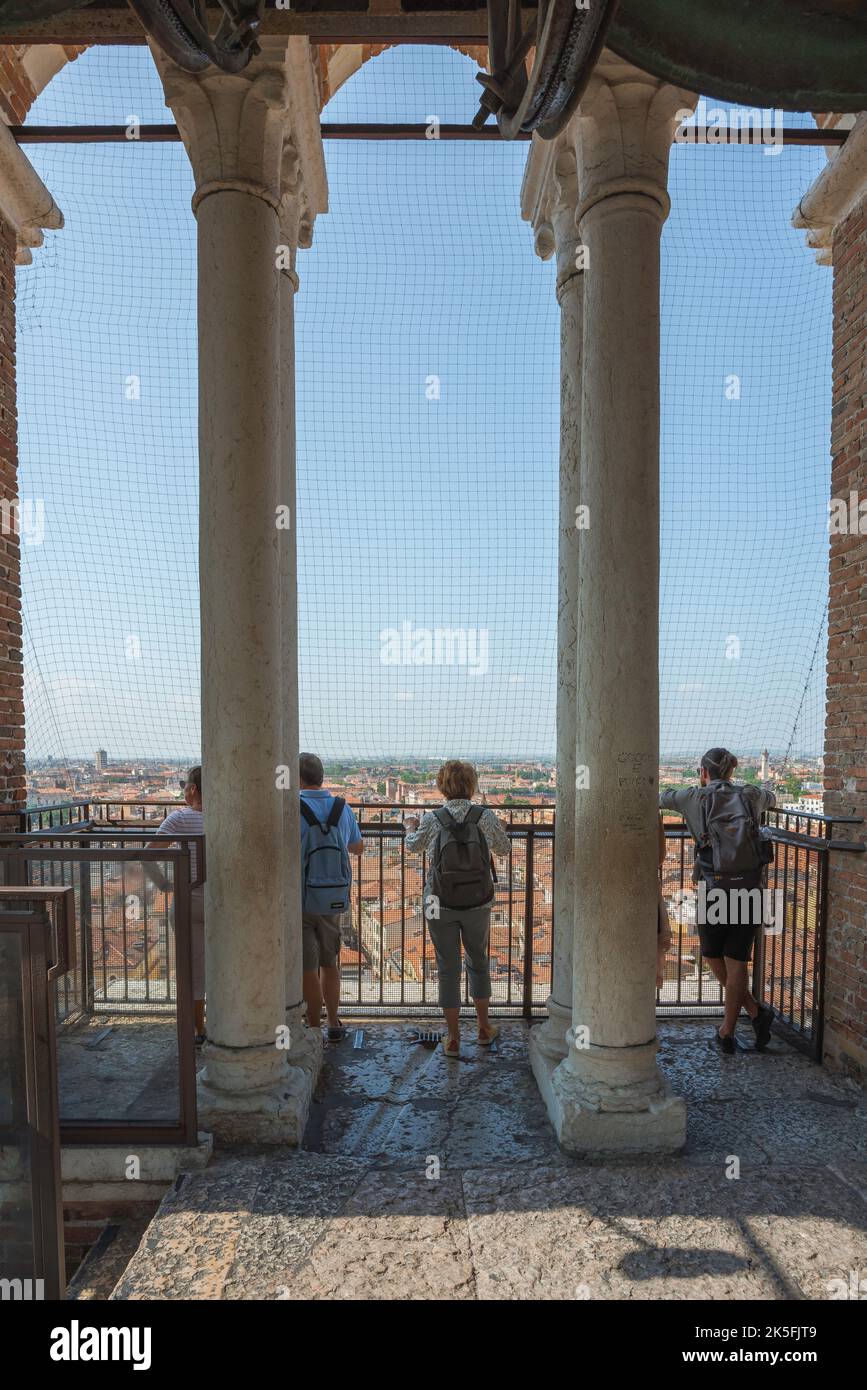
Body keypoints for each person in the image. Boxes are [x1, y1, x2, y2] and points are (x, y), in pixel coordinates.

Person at [660, 746, 776, 1054]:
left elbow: (660, 798)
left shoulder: (693, 797)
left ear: (703, 773)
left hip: (714, 888)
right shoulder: (749, 795)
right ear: (732, 772)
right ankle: (752, 1013)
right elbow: (771, 798)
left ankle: (729, 1030)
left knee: (711, 954)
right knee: (736, 959)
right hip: (750, 888)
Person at [404, 760, 510, 1058]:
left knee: (447, 966)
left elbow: (413, 846)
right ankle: (483, 1028)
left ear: (442, 786)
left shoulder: (432, 818)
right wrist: (499, 828)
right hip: (477, 900)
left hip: (437, 901)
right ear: (471, 785)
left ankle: (452, 1038)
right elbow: (504, 849)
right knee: (478, 959)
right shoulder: (484, 816)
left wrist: (409, 826)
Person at [299, 752, 363, 1041]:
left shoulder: (291, 806)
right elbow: (357, 846)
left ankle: (313, 1026)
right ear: (321, 777)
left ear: (298, 778)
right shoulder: (341, 807)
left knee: (307, 966)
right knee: (330, 962)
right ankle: (334, 1022)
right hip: (333, 898)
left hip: (301, 897)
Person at [152, 766, 206, 1042]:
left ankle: (199, 1030)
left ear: (193, 789)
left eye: (185, 785)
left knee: (193, 967)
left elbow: (148, 854)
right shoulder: (227, 818)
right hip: (223, 903)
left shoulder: (179, 819)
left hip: (187, 901)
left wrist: (164, 885)